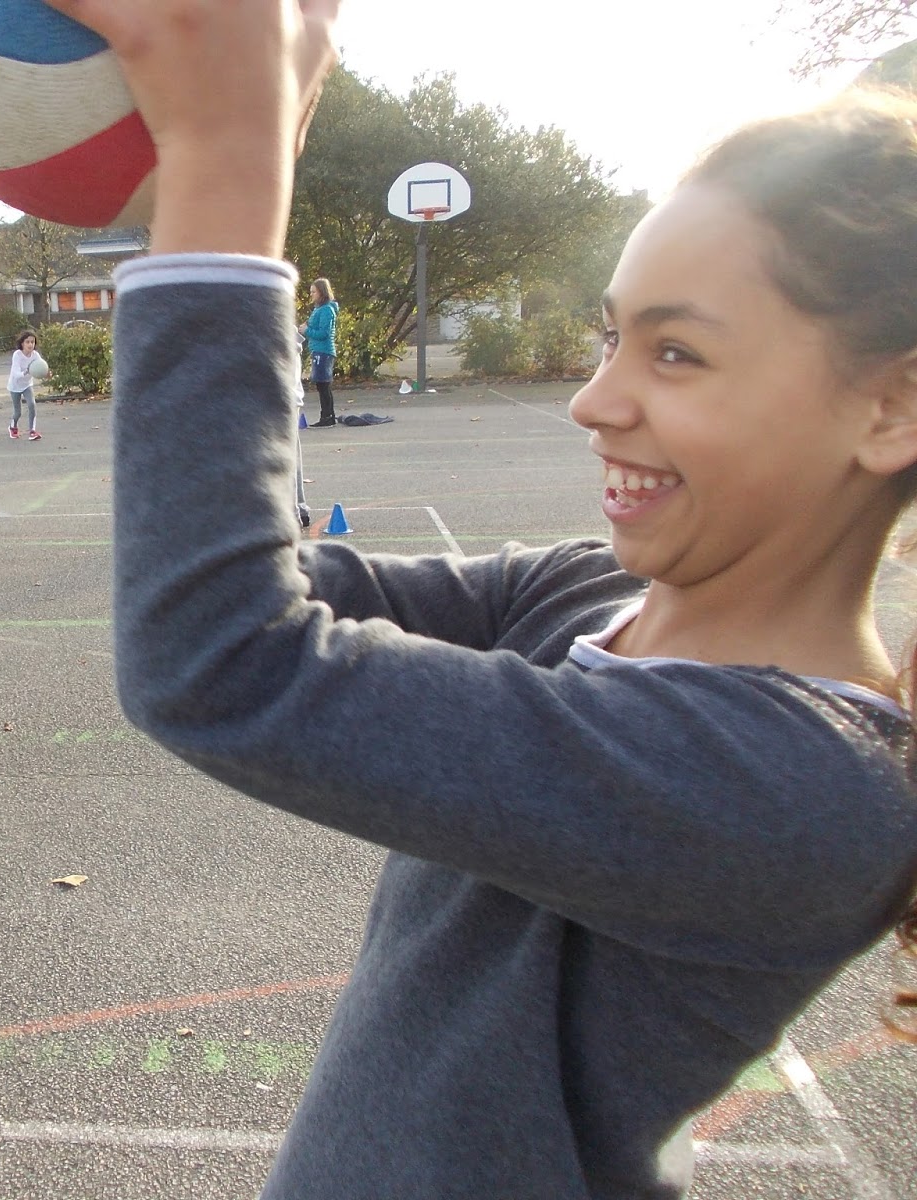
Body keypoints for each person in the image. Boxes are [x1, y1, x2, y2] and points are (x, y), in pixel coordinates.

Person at [47, 0, 917, 1196]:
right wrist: (222, 122)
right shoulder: (589, 591)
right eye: (611, 338)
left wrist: (228, 169)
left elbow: (218, 659)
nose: (595, 401)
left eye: (676, 353)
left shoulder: (796, 792)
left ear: (891, 408)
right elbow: (237, 583)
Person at [301, 277, 339, 426]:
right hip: (317, 350)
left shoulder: (327, 310)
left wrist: (307, 330)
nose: (311, 295)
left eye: (314, 292)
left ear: (322, 292)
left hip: (324, 351)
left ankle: (327, 416)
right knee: (321, 384)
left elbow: (324, 333)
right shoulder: (318, 309)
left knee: (323, 384)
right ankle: (328, 415)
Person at [6, 329, 47, 441]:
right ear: (22, 343)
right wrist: (27, 371)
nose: (30, 344)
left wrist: (47, 373)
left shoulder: (35, 355)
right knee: (18, 412)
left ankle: (32, 431)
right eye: (27, 342)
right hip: (15, 386)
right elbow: (16, 374)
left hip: (27, 385)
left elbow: (41, 367)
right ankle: (12, 427)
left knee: (32, 405)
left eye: (32, 342)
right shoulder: (17, 355)